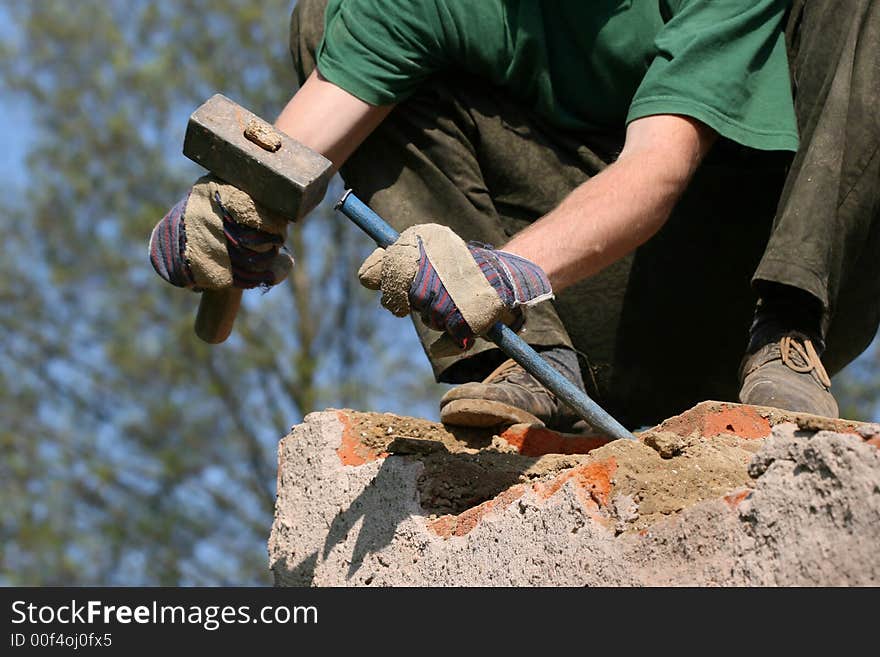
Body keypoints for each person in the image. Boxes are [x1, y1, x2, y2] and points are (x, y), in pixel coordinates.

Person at [150, 0, 879, 431]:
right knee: (324, 18)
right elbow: (292, 150)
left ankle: (789, 334)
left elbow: (656, 170)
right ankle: (518, 362)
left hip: (737, 274)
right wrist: (236, 203)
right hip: (575, 310)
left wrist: (509, 269)